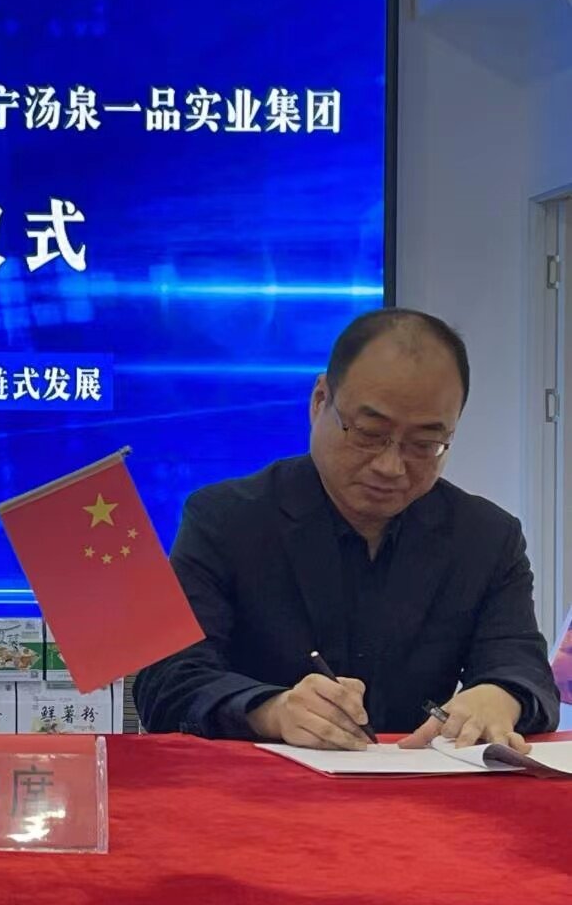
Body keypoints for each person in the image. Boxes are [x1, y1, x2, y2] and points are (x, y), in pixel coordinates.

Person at [135, 307, 560, 752]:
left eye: (425, 444)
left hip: (418, 785)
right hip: (260, 785)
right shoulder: (225, 520)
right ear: (320, 400)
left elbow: (522, 668)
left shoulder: (486, 538)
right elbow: (167, 681)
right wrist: (273, 710)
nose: (390, 466)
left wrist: (499, 696)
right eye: (369, 433)